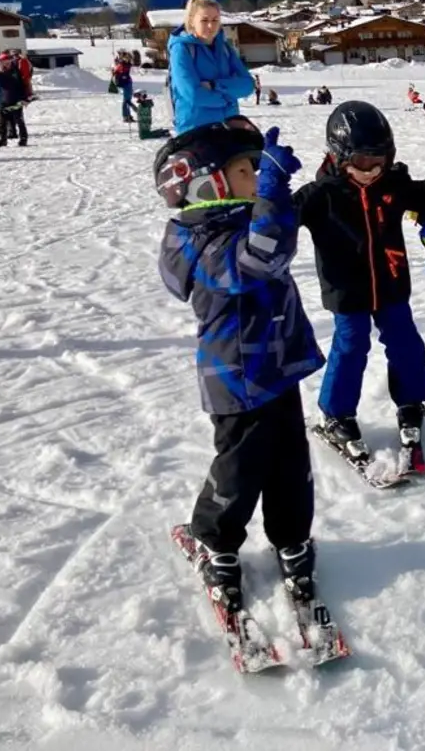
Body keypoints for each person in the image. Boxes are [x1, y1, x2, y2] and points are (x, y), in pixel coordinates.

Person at [154, 117, 323, 611]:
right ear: (208, 182)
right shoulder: (199, 243)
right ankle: (214, 538)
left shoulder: (236, 220)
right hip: (235, 377)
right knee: (240, 468)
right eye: (247, 170)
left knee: (291, 463)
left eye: (255, 169)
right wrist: (272, 195)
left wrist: (277, 193)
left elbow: (275, 236)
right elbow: (262, 258)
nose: (257, 177)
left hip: (276, 367)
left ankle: (291, 534)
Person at [294, 101, 425, 475]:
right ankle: (336, 414)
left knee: (406, 341)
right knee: (352, 344)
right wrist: (267, 197)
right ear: (338, 154)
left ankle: (411, 401)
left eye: (379, 160)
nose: (371, 170)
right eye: (362, 162)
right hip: (346, 290)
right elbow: (276, 219)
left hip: (391, 283)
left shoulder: (391, 182)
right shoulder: (320, 195)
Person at [168, 0, 255, 135]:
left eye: (215, 20)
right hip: (195, 131)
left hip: (228, 127)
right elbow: (192, 94)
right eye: (204, 20)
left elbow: (248, 85)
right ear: (191, 21)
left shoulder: (225, 48)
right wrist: (227, 98)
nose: (211, 25)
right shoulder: (182, 49)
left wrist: (215, 85)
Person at [0, 53, 31, 148]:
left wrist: (24, 99)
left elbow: (22, 86)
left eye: (7, 61)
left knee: (19, 121)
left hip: (16, 101)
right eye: (3, 62)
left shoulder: (15, 71)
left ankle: (23, 139)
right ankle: (3, 139)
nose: (6, 63)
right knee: (2, 122)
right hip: (3, 101)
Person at [113, 54, 135, 123]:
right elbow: (116, 72)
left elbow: (127, 70)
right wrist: (121, 76)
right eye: (126, 58)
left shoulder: (127, 64)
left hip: (128, 83)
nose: (128, 59)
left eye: (129, 58)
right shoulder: (121, 65)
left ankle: (128, 115)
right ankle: (125, 116)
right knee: (126, 100)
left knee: (128, 99)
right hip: (125, 83)